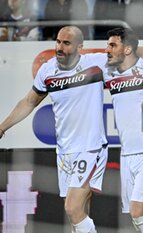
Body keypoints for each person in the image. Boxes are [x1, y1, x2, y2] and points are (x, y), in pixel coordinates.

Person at [0, 26, 108, 233]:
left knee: (72, 207)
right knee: (77, 213)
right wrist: (2, 127)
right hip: (64, 151)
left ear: (79, 47)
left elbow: (127, 55)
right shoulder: (47, 71)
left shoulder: (95, 64)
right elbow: (29, 102)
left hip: (90, 147)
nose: (59, 47)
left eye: (66, 43)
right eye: (58, 42)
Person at [103, 27, 143, 233]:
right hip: (127, 155)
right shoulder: (108, 72)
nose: (107, 49)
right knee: (137, 217)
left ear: (127, 50)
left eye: (112, 45)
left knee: (139, 211)